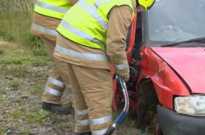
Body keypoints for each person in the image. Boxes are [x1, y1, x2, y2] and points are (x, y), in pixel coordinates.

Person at [53, 0, 155, 134]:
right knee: (99, 100)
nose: (138, 11)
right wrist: (123, 70)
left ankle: (83, 130)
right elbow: (115, 46)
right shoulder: (123, 6)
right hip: (85, 49)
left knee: (81, 96)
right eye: (140, 8)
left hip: (66, 45)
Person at [31, 0, 78, 114]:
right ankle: (81, 106)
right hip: (54, 22)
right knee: (68, 65)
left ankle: (50, 100)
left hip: (44, 18)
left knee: (60, 61)